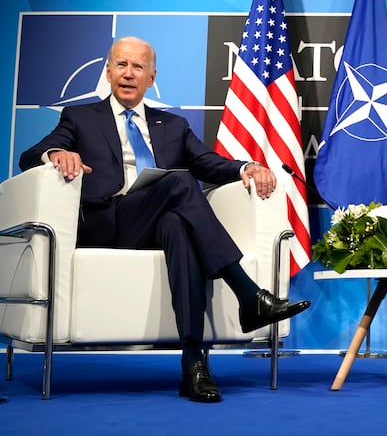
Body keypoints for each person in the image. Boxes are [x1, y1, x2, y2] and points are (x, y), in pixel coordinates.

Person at [19, 36, 311, 403]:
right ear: (108, 71)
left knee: (178, 223)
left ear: (151, 75)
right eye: (121, 65)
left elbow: (209, 163)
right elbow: (29, 157)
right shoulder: (79, 117)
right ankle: (248, 293)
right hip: (108, 223)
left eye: (138, 66)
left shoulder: (172, 124)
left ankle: (193, 365)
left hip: (157, 223)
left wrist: (247, 167)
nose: (128, 73)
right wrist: (57, 152)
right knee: (181, 180)